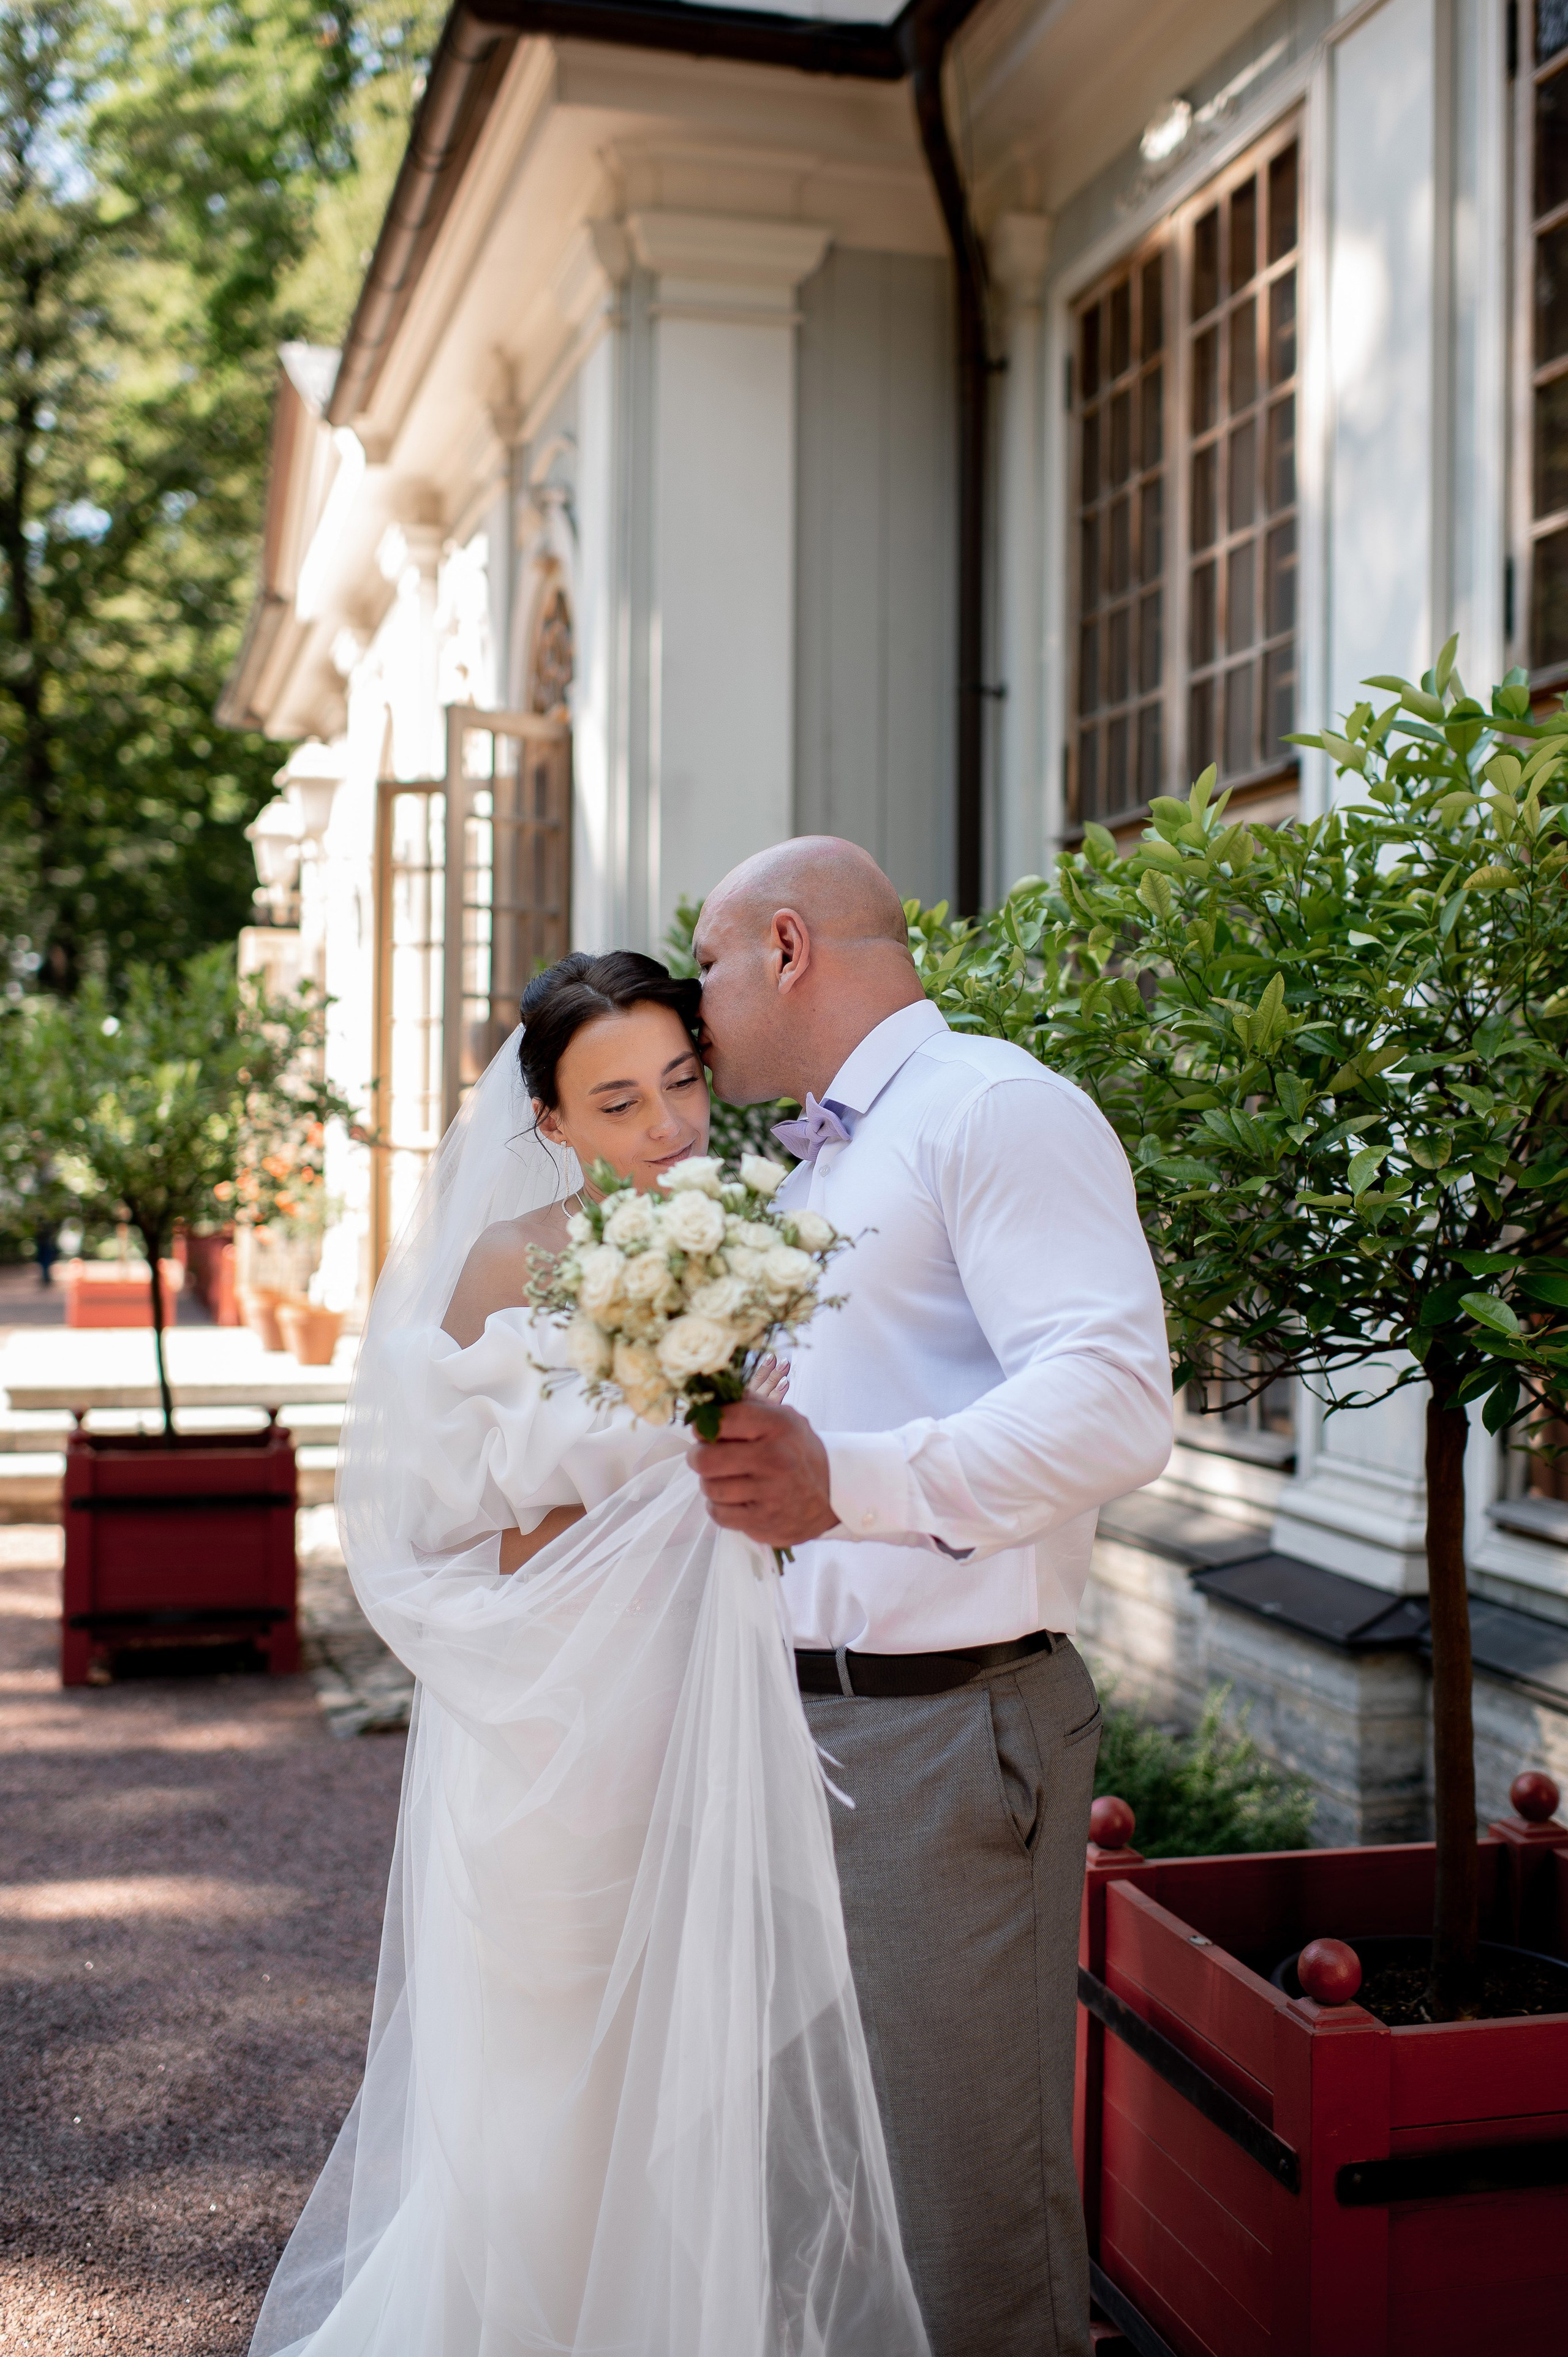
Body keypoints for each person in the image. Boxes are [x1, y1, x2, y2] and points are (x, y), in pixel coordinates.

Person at [248, 950, 927, 2357]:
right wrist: (596, 1525)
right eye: (614, 1103)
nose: (664, 1126)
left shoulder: (765, 1240)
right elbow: (424, 1529)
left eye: (678, 1081)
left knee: (697, 2067)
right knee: (552, 2072)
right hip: (551, 1739)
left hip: (711, 1709)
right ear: (549, 1123)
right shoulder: (505, 1262)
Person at [690, 839, 1174, 2357]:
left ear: (784, 946)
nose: (696, 1008)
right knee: (827, 2189)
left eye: (702, 968)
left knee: (959, 2207)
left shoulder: (993, 1109)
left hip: (940, 1735)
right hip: (798, 1726)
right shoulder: (815, 1159)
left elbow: (1112, 1407)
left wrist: (855, 1481)